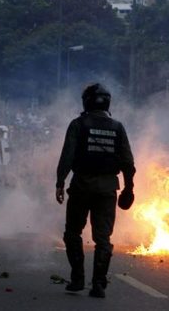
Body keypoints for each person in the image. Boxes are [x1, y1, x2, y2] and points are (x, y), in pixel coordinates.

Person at [55, 83, 136, 298]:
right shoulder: (118, 127)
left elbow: (67, 157)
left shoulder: (78, 125)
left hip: (81, 186)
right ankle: (99, 284)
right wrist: (129, 188)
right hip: (108, 189)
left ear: (86, 101)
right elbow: (128, 162)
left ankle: (77, 279)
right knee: (103, 238)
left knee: (73, 232)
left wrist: (60, 182)